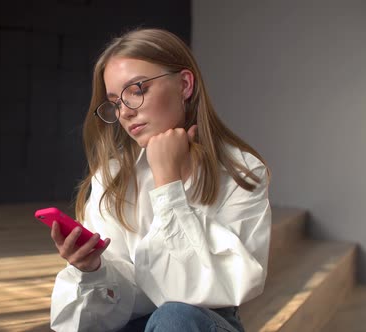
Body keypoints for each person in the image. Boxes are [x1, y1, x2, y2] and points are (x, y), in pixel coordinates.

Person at [49, 28, 271, 332]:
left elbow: (200, 293)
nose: (124, 112)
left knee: (175, 318)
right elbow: (110, 308)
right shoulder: (113, 176)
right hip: (135, 322)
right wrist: (93, 271)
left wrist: (168, 184)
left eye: (136, 90)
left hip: (197, 323)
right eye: (115, 102)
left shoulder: (241, 171)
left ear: (184, 84)